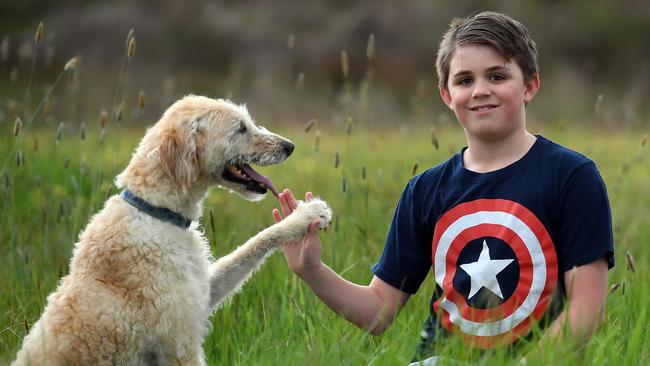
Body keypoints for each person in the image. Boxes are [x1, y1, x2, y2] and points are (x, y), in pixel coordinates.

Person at [272, 11, 614, 364]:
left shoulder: (572, 177)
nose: (480, 90)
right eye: (464, 80)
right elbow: (378, 311)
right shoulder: (425, 190)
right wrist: (311, 271)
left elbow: (586, 311)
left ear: (529, 85)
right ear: (447, 95)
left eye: (496, 76)